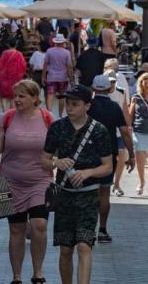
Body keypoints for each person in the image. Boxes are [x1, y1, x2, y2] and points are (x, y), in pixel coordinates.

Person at [40, 85, 113, 284]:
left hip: (88, 196)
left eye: (75, 104)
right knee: (65, 249)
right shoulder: (57, 127)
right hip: (64, 195)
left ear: (87, 106)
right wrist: (56, 162)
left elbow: (108, 166)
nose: (69, 108)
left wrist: (88, 172)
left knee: (84, 245)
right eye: (67, 103)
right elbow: (44, 160)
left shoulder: (99, 130)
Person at [0, 80, 54, 284]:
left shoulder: (47, 118)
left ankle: (38, 273)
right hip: (10, 181)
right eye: (15, 95)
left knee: (39, 225)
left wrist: (59, 162)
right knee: (16, 229)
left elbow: (58, 148)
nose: (16, 99)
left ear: (35, 98)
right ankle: (17, 276)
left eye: (22, 96)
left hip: (40, 180)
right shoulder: (6, 118)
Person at [87, 75, 134, 243]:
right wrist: (131, 154)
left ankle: (88, 229)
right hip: (109, 153)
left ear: (93, 89)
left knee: (89, 192)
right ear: (109, 89)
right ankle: (102, 230)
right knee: (105, 192)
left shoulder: (87, 106)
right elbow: (124, 132)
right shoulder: (114, 107)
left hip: (88, 154)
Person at [44, 34, 74, 116]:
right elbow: (69, 67)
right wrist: (71, 78)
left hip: (51, 77)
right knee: (61, 97)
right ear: (63, 42)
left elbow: (45, 64)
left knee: (50, 96)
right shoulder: (67, 52)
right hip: (63, 78)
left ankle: (49, 114)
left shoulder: (49, 51)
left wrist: (43, 76)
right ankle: (60, 115)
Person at [0, 38, 27, 112]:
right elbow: (23, 65)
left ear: (8, 44)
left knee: (4, 95)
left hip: (4, 77)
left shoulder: (4, 53)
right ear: (16, 44)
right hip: (15, 77)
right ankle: (11, 112)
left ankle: (4, 110)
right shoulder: (19, 54)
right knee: (13, 95)